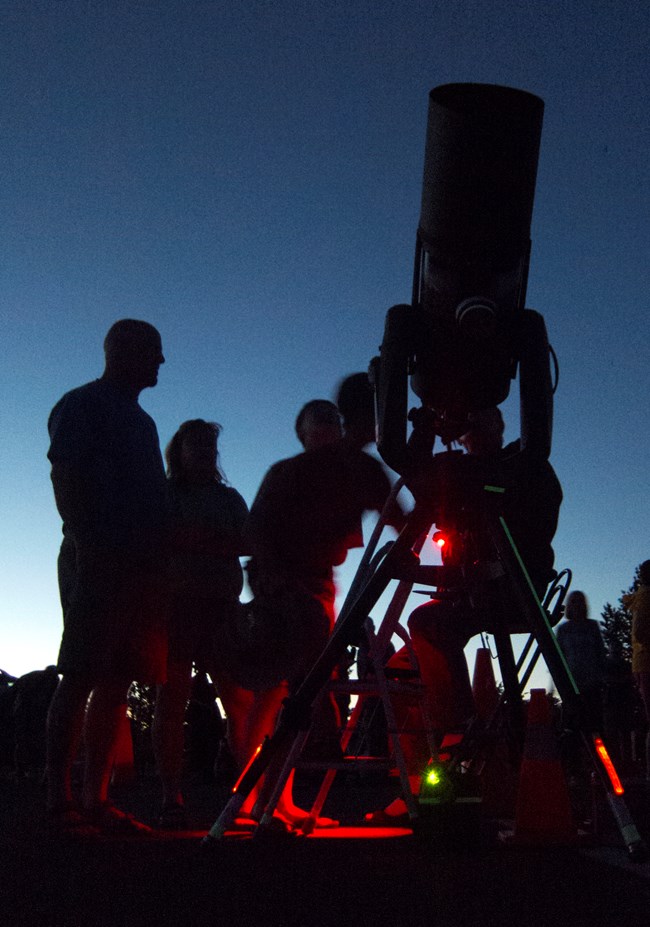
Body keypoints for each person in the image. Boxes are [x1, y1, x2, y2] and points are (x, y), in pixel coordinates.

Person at [226, 397, 403, 827]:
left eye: (332, 416)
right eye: (316, 417)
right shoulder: (286, 473)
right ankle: (253, 799)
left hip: (319, 585)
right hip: (282, 586)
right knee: (282, 691)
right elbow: (255, 531)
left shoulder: (359, 471)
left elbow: (396, 513)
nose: (327, 422)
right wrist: (276, 581)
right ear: (302, 431)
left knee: (287, 693)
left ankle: (274, 798)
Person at [45, 319, 168, 834]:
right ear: (123, 352)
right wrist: (89, 544)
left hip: (139, 567)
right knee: (81, 676)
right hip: (99, 557)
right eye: (153, 352)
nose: (161, 362)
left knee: (117, 679)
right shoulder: (82, 405)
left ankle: (95, 797)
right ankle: (59, 799)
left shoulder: (142, 422)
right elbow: (67, 477)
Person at [152, 419, 248, 828]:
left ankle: (246, 786)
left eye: (210, 447)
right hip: (176, 608)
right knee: (171, 699)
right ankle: (169, 791)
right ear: (180, 451)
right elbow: (158, 537)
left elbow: (248, 540)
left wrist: (194, 539)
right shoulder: (165, 495)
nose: (207, 453)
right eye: (198, 446)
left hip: (221, 607)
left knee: (240, 698)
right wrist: (212, 541)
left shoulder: (228, 498)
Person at [555, 591, 607, 731]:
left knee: (594, 725)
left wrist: (602, 677)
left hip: (593, 683)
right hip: (571, 684)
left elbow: (600, 653)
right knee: (572, 724)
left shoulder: (592, 626)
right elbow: (559, 658)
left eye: (580, 601)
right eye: (573, 601)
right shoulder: (563, 629)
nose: (577, 605)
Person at [624, 560, 650, 779]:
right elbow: (641, 632)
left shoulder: (642, 598)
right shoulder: (645, 599)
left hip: (642, 663)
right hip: (646, 663)